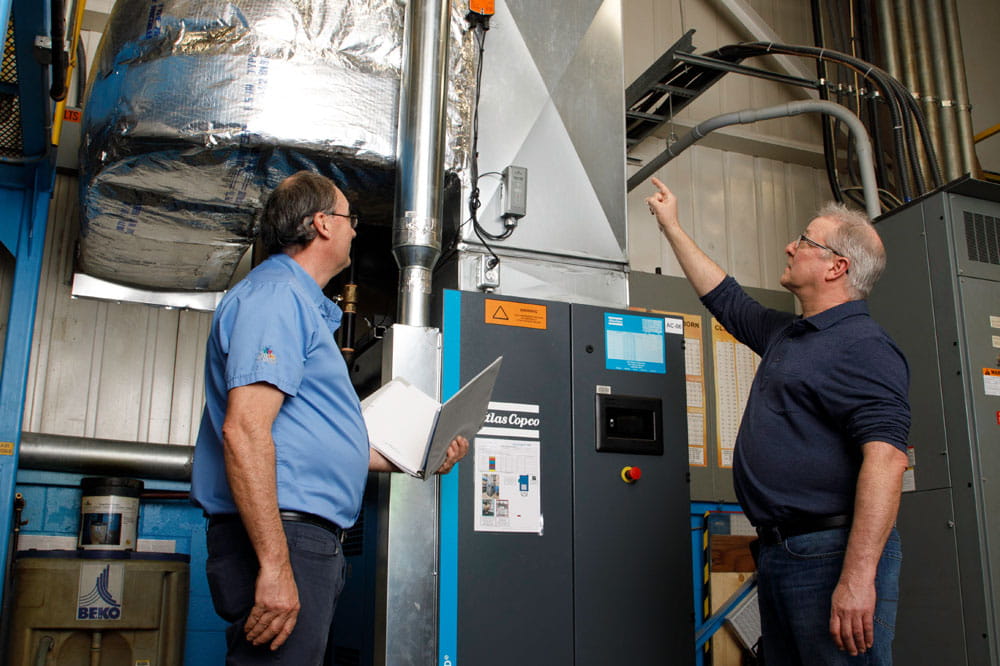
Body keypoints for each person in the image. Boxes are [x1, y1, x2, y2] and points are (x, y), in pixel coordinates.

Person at [191, 170, 469, 664]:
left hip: (302, 537)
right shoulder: (276, 298)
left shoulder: (297, 304)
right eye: (348, 218)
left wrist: (427, 454)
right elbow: (244, 430)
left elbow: (327, 447)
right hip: (283, 535)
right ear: (321, 223)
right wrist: (276, 565)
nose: (355, 230)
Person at [645, 177, 910, 665]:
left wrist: (856, 578)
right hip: (782, 553)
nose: (790, 246)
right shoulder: (793, 334)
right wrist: (672, 227)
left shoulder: (865, 346)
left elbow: (888, 459)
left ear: (837, 266)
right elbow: (727, 300)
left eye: (805, 241)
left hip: (830, 554)